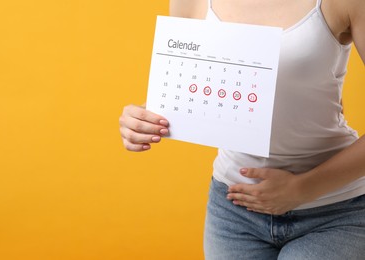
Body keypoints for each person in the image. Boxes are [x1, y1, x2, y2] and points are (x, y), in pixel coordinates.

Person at [119, 0, 365, 259]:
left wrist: (303, 188)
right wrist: (142, 120)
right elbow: (191, 92)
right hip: (233, 212)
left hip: (334, 210)